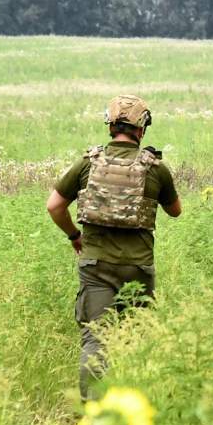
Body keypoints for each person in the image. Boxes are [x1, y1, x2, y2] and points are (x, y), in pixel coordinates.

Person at [45, 95, 182, 398]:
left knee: (96, 341)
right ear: (141, 129)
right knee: (137, 341)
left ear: (109, 126)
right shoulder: (156, 168)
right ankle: (133, 408)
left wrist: (74, 236)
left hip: (96, 267)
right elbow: (175, 211)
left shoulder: (88, 163)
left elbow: (54, 206)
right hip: (138, 267)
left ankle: (94, 411)